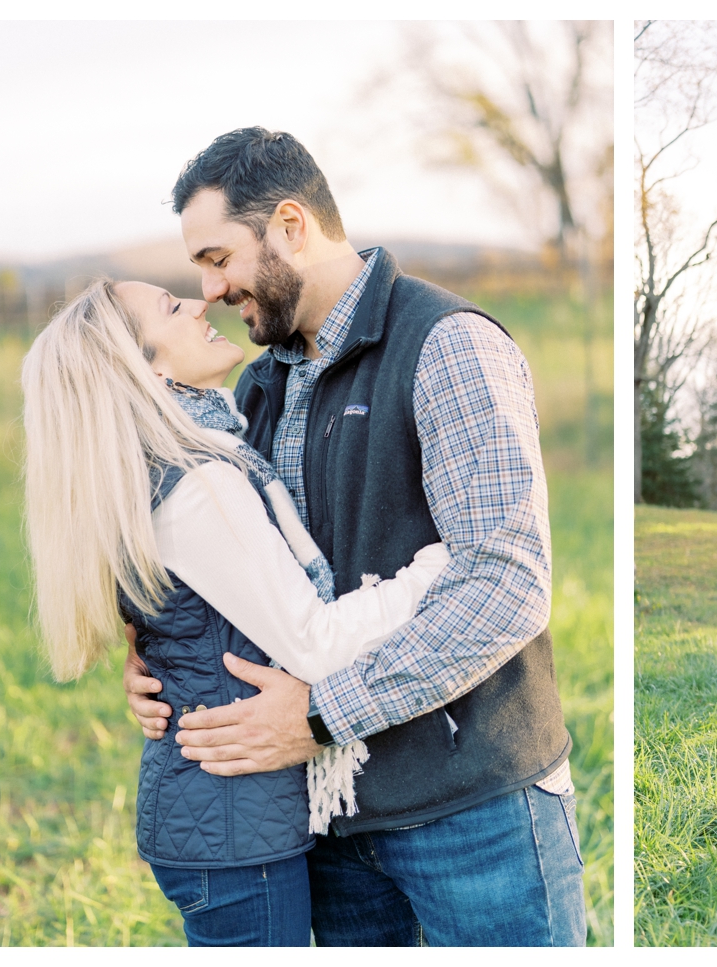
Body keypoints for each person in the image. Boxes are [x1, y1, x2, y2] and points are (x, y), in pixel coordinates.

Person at [122, 127, 585, 946]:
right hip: (329, 823)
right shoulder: (255, 386)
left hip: (472, 806)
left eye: (218, 257)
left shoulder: (447, 344)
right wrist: (163, 658)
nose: (208, 288)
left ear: (291, 226)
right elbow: (247, 577)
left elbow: (507, 582)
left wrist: (322, 714)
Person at [21, 279, 449, 945]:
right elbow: (313, 641)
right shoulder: (198, 482)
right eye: (171, 307)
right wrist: (437, 568)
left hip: (220, 815)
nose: (200, 303)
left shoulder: (175, 459)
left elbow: (178, 621)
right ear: (148, 367)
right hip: (231, 829)